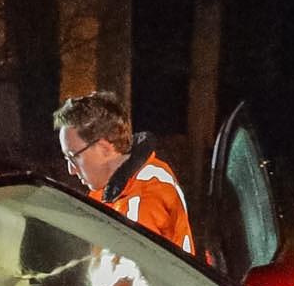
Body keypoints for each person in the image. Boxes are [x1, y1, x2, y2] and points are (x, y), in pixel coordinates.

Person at [53, 91, 194, 254]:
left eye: (73, 157)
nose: (71, 170)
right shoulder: (109, 189)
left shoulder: (145, 197)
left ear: (104, 148)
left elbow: (131, 274)